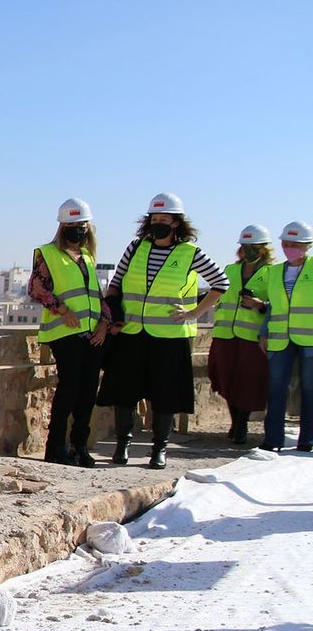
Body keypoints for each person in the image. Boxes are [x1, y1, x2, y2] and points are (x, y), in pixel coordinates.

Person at [97, 192, 229, 468]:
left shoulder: (190, 253)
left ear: (176, 223)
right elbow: (116, 284)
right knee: (124, 392)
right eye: (154, 219)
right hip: (132, 332)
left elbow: (221, 283)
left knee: (164, 396)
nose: (158, 223)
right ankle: (123, 445)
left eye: (164, 220)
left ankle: (159, 449)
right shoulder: (136, 248)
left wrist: (194, 313)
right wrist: (115, 315)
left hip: (169, 336)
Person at [29, 198, 111, 466]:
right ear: (62, 226)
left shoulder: (87, 257)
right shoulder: (48, 253)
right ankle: (55, 448)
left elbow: (96, 295)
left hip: (91, 335)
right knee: (69, 388)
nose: (77, 229)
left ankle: (80, 447)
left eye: (81, 225)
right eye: (71, 225)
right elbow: (37, 289)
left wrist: (103, 323)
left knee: (88, 391)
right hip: (65, 333)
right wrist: (64, 311)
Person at [248, 221, 313, 453]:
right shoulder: (275, 272)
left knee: (310, 389)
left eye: (294, 244)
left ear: (307, 245)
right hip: (279, 338)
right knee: (276, 388)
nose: (289, 247)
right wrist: (264, 333)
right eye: (285, 243)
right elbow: (273, 307)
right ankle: (273, 439)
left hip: (309, 340)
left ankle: (308, 440)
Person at [207, 225, 274, 444]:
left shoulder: (271, 273)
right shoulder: (230, 270)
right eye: (245, 247)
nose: (248, 251)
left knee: (247, 381)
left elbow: (277, 303)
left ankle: (242, 423)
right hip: (225, 334)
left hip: (251, 337)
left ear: (263, 249)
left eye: (254, 247)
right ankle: (235, 420)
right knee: (226, 379)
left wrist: (260, 304)